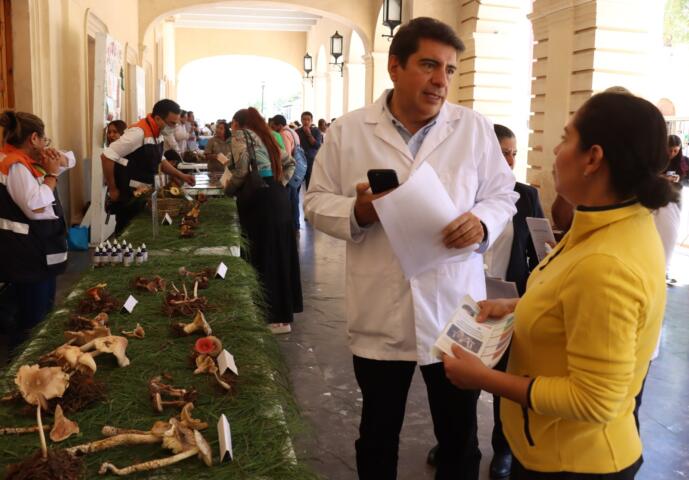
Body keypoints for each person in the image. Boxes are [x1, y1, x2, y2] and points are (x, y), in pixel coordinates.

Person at [304, 17, 517, 480]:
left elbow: (504, 194)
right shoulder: (348, 131)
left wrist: (482, 222)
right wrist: (360, 212)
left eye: (449, 70)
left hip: (454, 310)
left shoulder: (474, 129)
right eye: (428, 65)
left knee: (460, 436)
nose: (441, 81)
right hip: (381, 310)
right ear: (395, 67)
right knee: (377, 432)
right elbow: (315, 201)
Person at [442, 91, 674, 479]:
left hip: (576, 462)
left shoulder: (606, 262)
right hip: (551, 449)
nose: (555, 148)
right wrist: (515, 307)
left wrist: (484, 379)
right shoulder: (606, 224)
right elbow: (572, 303)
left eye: (566, 137)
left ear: (593, 158)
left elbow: (594, 399)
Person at [483, 124, 546, 479]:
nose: (509, 160)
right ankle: (455, 440)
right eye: (502, 152)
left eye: (513, 153)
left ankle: (502, 447)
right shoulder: (463, 194)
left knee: (503, 375)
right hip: (465, 296)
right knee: (455, 373)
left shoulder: (526, 195)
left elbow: (537, 255)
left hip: (509, 299)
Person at [0, 111, 75, 352]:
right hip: (27, 254)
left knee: (36, 307)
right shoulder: (15, 166)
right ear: (34, 138)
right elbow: (36, 207)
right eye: (44, 140)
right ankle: (23, 364)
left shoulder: (24, 160)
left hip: (33, 250)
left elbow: (69, 160)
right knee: (33, 316)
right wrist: (52, 174)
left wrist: (56, 160)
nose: (46, 145)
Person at [225, 107, 302, 335]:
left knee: (262, 254)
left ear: (239, 123)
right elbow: (290, 164)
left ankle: (268, 316)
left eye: (232, 123)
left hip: (259, 202)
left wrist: (228, 190)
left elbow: (240, 172)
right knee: (279, 254)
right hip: (278, 199)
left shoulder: (240, 137)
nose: (231, 127)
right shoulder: (269, 136)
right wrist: (280, 184)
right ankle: (282, 316)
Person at [101, 99, 195, 234]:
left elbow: (160, 160)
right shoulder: (138, 133)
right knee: (125, 232)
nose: (174, 127)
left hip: (143, 193)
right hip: (128, 195)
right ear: (158, 118)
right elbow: (107, 156)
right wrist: (113, 188)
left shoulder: (159, 133)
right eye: (172, 123)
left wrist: (181, 175)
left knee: (139, 231)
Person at [654, 134, 688, 275]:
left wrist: (680, 178)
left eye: (675, 150)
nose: (672, 154)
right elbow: (649, 176)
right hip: (658, 200)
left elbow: (687, 180)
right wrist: (662, 178)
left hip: (675, 200)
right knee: (656, 234)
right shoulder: (657, 160)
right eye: (670, 150)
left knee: (670, 234)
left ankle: (664, 268)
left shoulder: (684, 162)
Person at [271, 114, 307, 231]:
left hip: (291, 170)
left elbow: (286, 155)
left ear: (279, 125)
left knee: (290, 197)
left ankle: (292, 225)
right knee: (294, 197)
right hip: (298, 168)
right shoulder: (293, 132)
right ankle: (295, 224)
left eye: (273, 126)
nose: (272, 129)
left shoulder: (283, 134)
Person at [296, 111, 322, 189]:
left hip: (311, 161)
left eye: (308, 119)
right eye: (304, 119)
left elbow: (317, 146)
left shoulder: (316, 131)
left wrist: (309, 134)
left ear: (311, 120)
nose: (306, 121)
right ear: (301, 120)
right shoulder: (297, 131)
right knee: (297, 186)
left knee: (310, 186)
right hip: (299, 161)